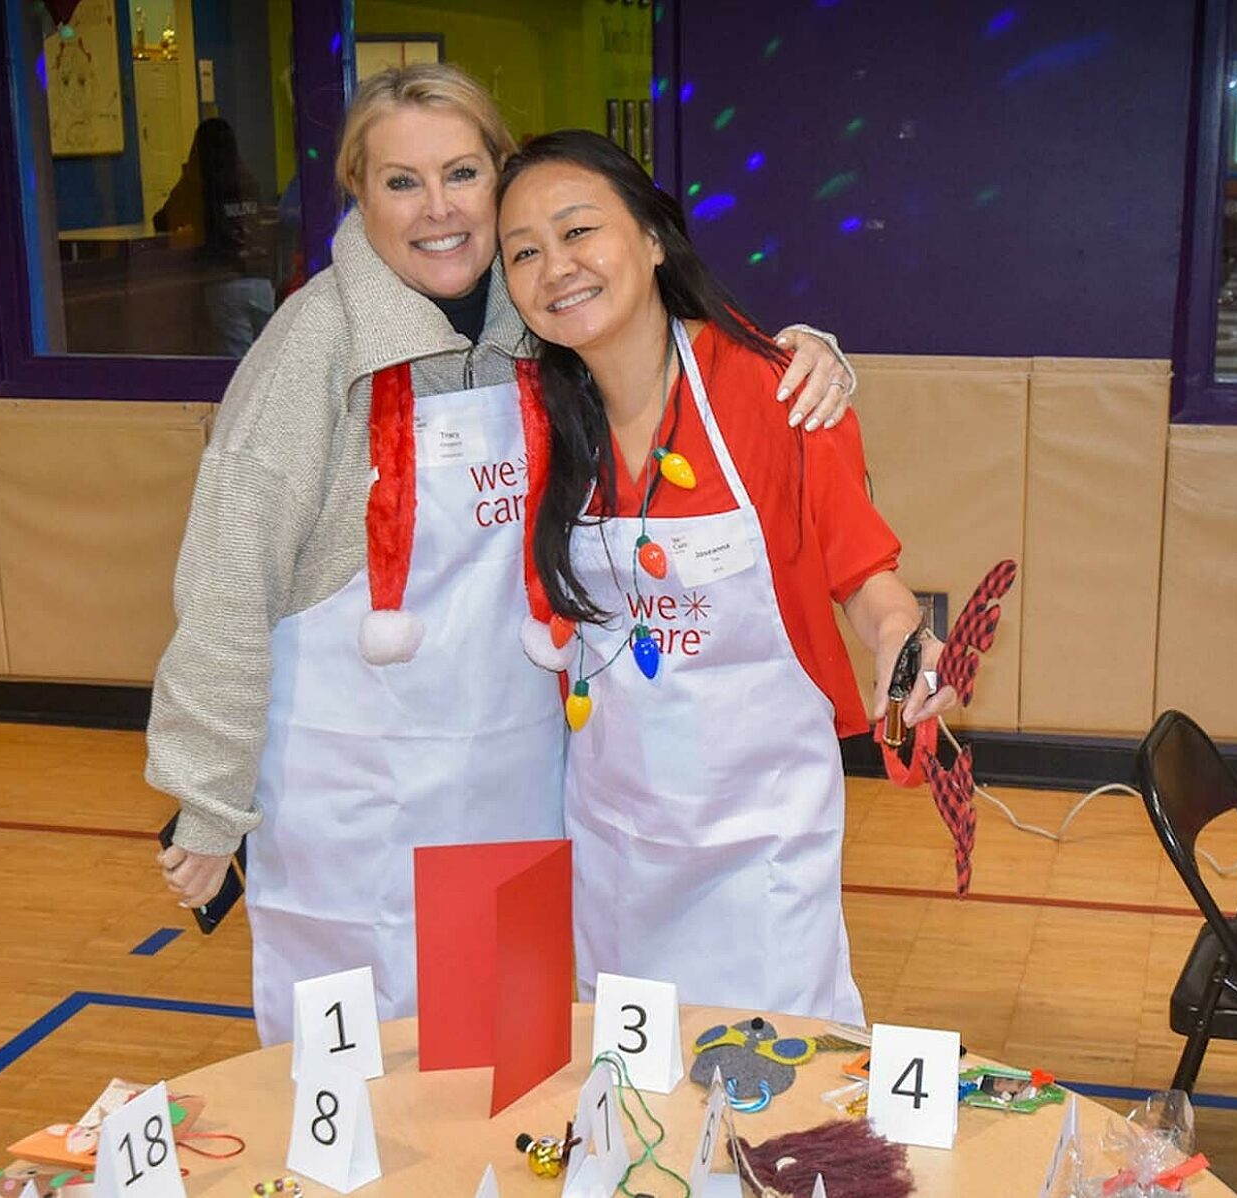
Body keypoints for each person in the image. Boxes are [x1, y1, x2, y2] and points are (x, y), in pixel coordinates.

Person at [147, 65, 860, 1044]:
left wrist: (806, 354)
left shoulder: (543, 326)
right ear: (358, 191)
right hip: (356, 807)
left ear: (499, 177)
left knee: (501, 1061)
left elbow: (676, 356)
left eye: (461, 174)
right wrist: (208, 796)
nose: (437, 209)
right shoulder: (313, 350)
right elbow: (229, 581)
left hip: (511, 793)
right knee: (370, 1083)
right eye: (401, 182)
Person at [498, 130, 957, 1021]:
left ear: (652, 238)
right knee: (633, 1086)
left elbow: (864, 574)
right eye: (524, 252)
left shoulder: (779, 390)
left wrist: (903, 637)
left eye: (579, 231)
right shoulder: (536, 419)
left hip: (763, 850)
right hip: (616, 844)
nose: (556, 267)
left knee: (776, 1080)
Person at [154, 118, 275, 357]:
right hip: (260, 280)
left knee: (238, 365)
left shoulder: (200, 183)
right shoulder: (248, 180)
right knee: (268, 360)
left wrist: (188, 173)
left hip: (224, 281)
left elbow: (164, 220)